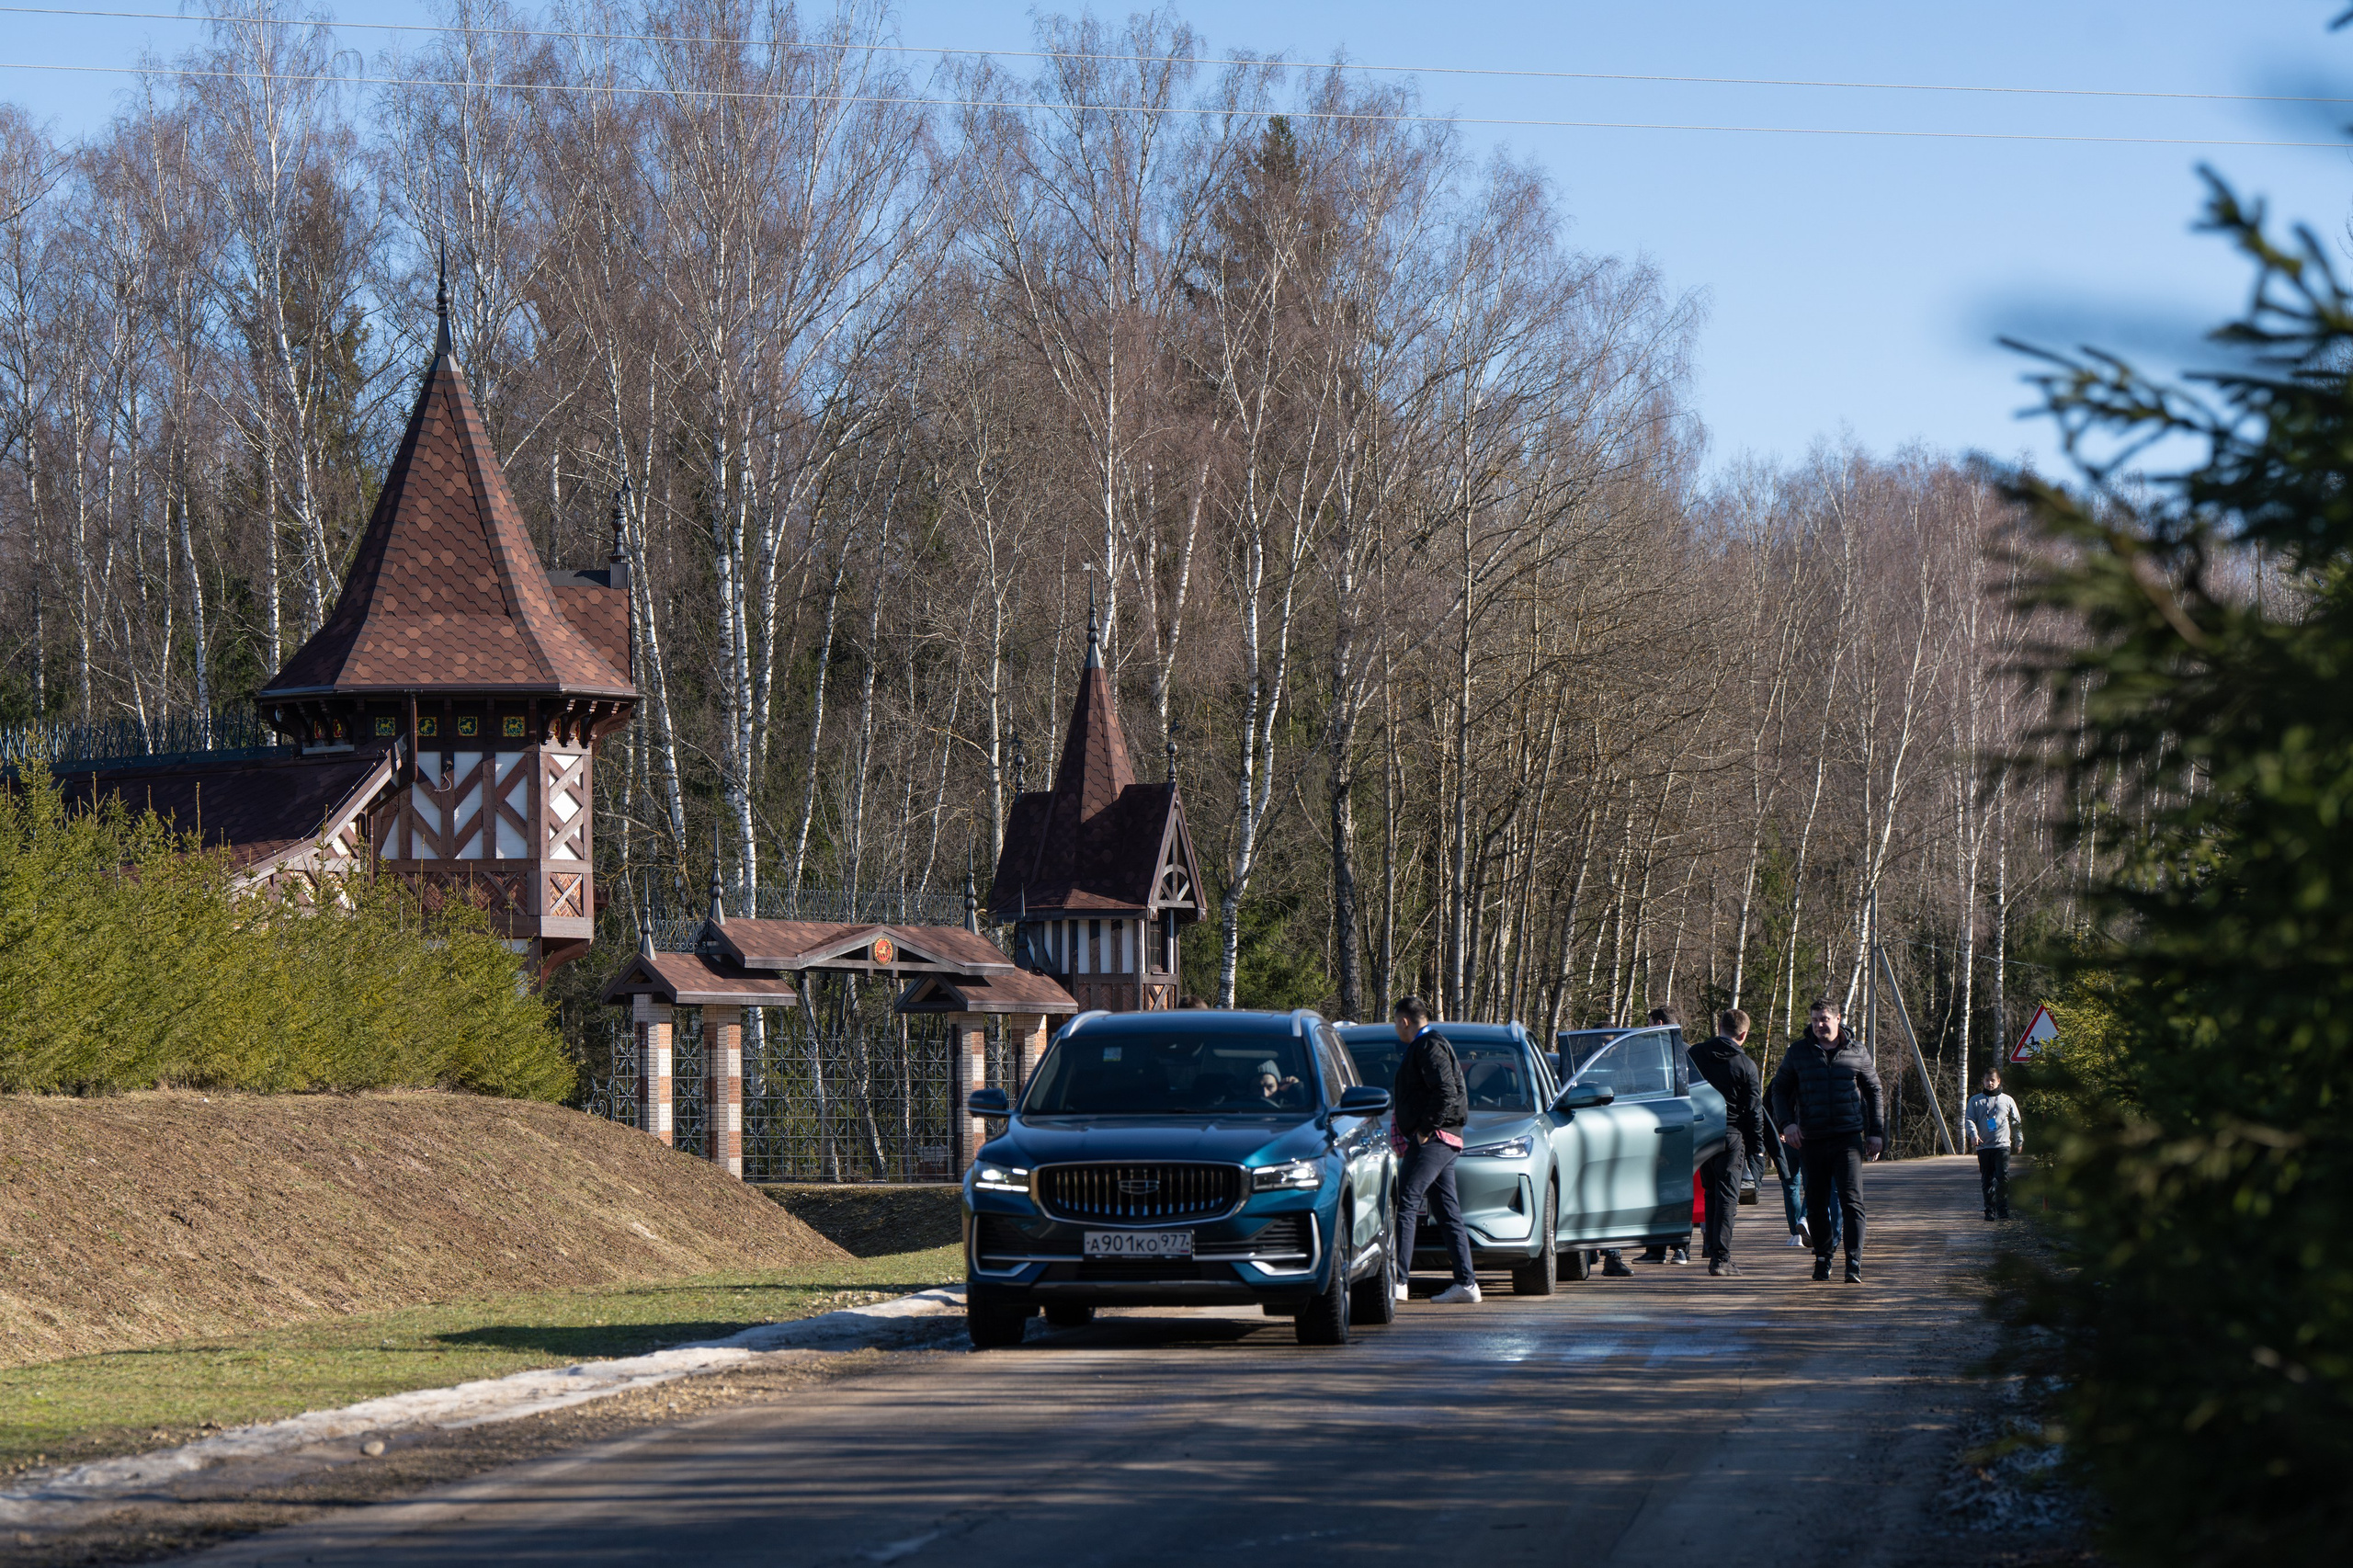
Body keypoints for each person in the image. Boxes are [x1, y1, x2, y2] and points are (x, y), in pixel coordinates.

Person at [1766, 996, 1883, 1284]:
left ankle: (1853, 1263)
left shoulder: (1857, 1051)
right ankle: (1823, 1258)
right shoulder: (1798, 1052)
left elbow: (1874, 1091)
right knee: (1817, 1203)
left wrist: (1876, 1132)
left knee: (1851, 1202)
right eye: (1815, 1020)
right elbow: (1779, 1090)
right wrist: (1787, 1123)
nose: (1819, 1025)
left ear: (1838, 1019)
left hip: (1847, 1139)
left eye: (1825, 1019)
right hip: (1812, 1139)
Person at [1389, 995, 1480, 1304]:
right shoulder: (1428, 1045)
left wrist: (1425, 1130)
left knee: (1406, 1202)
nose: (1396, 1029)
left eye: (1396, 1023)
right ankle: (1466, 1284)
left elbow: (1446, 1090)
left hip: (1436, 1138)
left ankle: (1398, 1281)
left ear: (1404, 1021)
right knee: (1447, 1212)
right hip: (1444, 1138)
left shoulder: (1428, 1045)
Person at [1688, 1008, 1765, 1276]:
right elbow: (1754, 1111)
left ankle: (1711, 1247)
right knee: (1727, 1196)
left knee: (1710, 1191)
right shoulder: (1745, 1065)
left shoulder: (1695, 1055)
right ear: (1743, 1035)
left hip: (1700, 1131)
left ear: (1719, 1026)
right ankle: (1721, 1258)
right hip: (1731, 1133)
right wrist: (1757, 1148)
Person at [1963, 1067, 2024, 1219]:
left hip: (2002, 1146)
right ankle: (1989, 1210)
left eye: (1992, 1080)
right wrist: (1973, 1135)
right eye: (1987, 1080)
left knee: (2003, 1178)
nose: (1989, 1083)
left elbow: (2016, 1122)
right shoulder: (1975, 1100)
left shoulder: (2007, 1100)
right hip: (1983, 1146)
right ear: (1983, 1081)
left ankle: (2003, 1210)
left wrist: (2019, 1140)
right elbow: (1969, 1119)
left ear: (1998, 1081)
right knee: (1987, 1179)